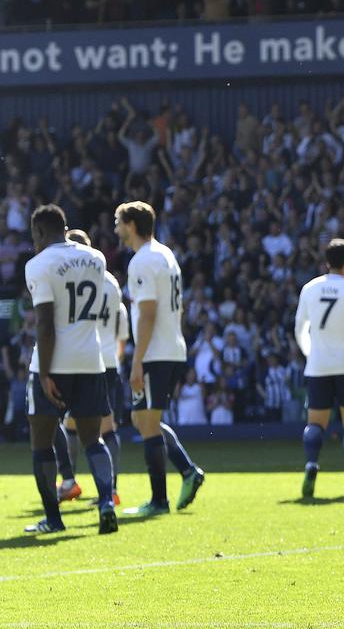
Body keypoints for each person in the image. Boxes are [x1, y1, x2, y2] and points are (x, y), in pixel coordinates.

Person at [23, 205, 117, 534]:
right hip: (91, 360)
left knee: (42, 443)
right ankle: (107, 502)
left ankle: (53, 519)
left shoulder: (38, 265)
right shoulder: (96, 258)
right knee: (94, 440)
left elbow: (46, 325)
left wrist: (46, 373)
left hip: (55, 363)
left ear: (38, 232)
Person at [115, 201, 205, 517]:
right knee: (144, 420)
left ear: (131, 225)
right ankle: (188, 470)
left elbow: (148, 314)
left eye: (119, 222)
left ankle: (158, 500)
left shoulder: (142, 261)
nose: (115, 228)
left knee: (148, 423)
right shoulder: (165, 254)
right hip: (170, 348)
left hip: (156, 353)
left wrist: (137, 361)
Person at [53, 229, 128, 508]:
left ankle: (73, 482)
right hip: (109, 361)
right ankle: (108, 488)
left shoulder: (77, 277)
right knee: (100, 428)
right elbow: (119, 322)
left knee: (73, 425)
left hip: (85, 360)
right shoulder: (111, 281)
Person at [294, 238, 344, 497]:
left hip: (318, 365)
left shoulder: (310, 288)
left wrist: (310, 352)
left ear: (327, 262)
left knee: (315, 423)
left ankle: (311, 463)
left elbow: (299, 329)